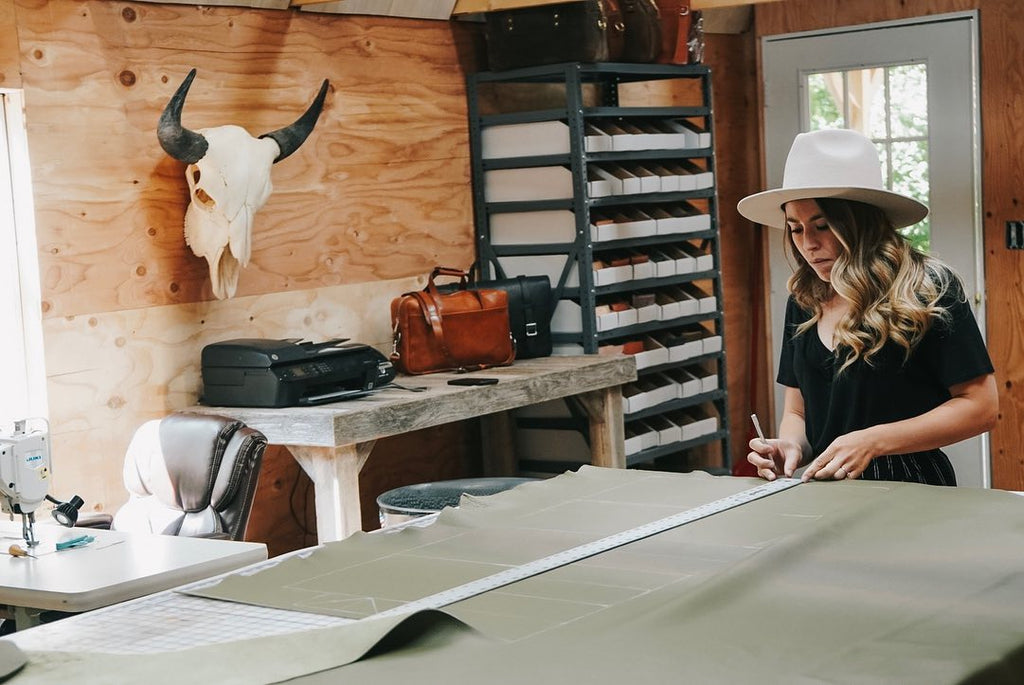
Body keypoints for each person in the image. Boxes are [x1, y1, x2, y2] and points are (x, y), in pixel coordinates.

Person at [736, 128, 997, 485]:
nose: (808, 245)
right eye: (795, 229)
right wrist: (790, 446)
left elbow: (980, 407)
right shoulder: (804, 299)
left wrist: (874, 441)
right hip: (825, 487)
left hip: (911, 486)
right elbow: (797, 411)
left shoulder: (929, 289)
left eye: (822, 225)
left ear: (859, 222)